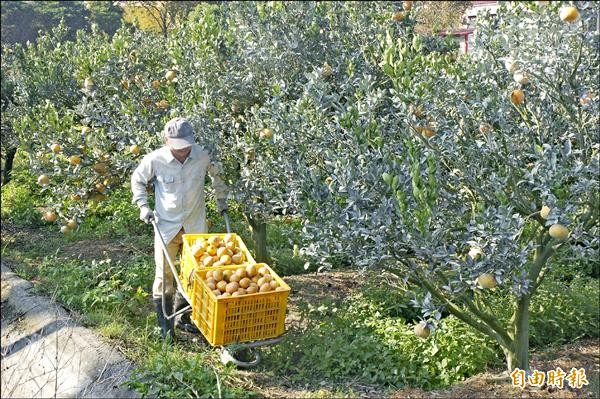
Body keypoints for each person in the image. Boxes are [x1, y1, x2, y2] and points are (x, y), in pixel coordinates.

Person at [131, 117, 228, 340]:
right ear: (166, 141)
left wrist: (221, 198)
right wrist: (143, 206)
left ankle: (184, 318)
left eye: (186, 146)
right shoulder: (155, 160)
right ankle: (165, 327)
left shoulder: (201, 155)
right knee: (164, 274)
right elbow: (137, 180)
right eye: (178, 147)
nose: (183, 151)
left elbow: (217, 174)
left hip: (195, 227)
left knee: (194, 274)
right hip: (166, 227)